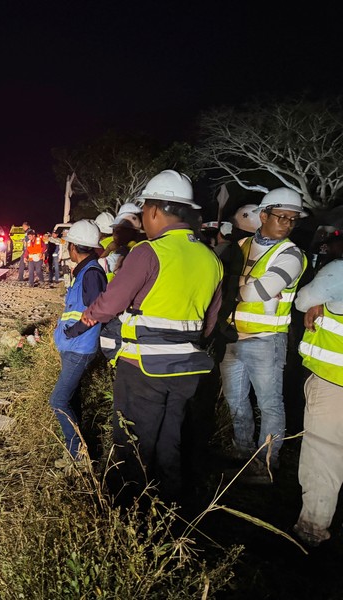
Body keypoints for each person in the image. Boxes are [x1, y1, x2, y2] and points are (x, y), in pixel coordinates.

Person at [81, 170, 223, 504]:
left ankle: (129, 508)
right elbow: (209, 322)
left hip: (142, 368)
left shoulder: (148, 252)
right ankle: (168, 504)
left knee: (133, 439)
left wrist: (90, 315)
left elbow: (111, 303)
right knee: (169, 438)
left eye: (145, 210)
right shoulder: (211, 259)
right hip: (187, 369)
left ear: (156, 211)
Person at [220, 188, 307, 480]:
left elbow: (260, 291)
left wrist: (237, 286)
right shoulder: (243, 244)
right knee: (236, 400)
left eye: (293, 219)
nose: (288, 224)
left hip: (267, 341)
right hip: (233, 337)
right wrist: (245, 287)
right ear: (264, 215)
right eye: (282, 217)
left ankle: (265, 465)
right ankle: (242, 452)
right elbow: (237, 287)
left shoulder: (292, 254)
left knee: (270, 404)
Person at [292, 259, 343, 546]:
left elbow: (304, 300)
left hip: (336, 385)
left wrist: (321, 303)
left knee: (324, 457)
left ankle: (311, 529)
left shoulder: (339, 272)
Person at [50, 221, 108, 460]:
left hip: (79, 348)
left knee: (58, 400)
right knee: (70, 398)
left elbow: (99, 309)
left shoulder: (91, 273)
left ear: (73, 247)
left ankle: (78, 453)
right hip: (73, 346)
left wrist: (73, 331)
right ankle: (78, 448)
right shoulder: (85, 271)